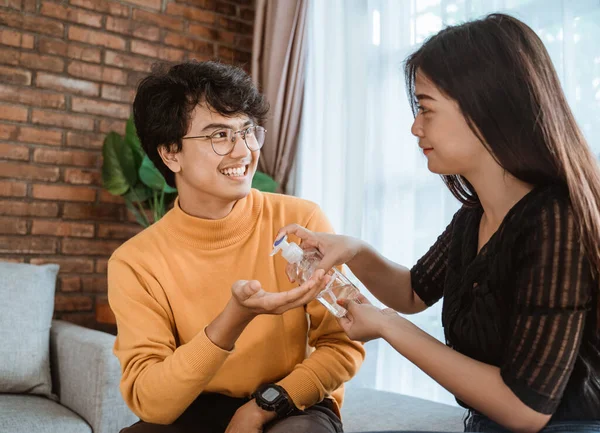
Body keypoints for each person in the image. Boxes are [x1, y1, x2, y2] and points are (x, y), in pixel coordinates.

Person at [277, 13, 600, 433]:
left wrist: (388, 325)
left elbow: (526, 408)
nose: (415, 127)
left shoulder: (558, 221)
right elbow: (413, 290)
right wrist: (353, 250)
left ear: (487, 107)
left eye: (425, 108)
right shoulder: (475, 214)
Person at [108, 60, 365, 433]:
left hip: (292, 403)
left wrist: (261, 408)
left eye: (246, 131)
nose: (243, 150)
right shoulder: (135, 262)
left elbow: (344, 345)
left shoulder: (300, 223)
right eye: (219, 135)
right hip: (194, 407)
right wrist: (233, 320)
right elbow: (151, 402)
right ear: (171, 153)